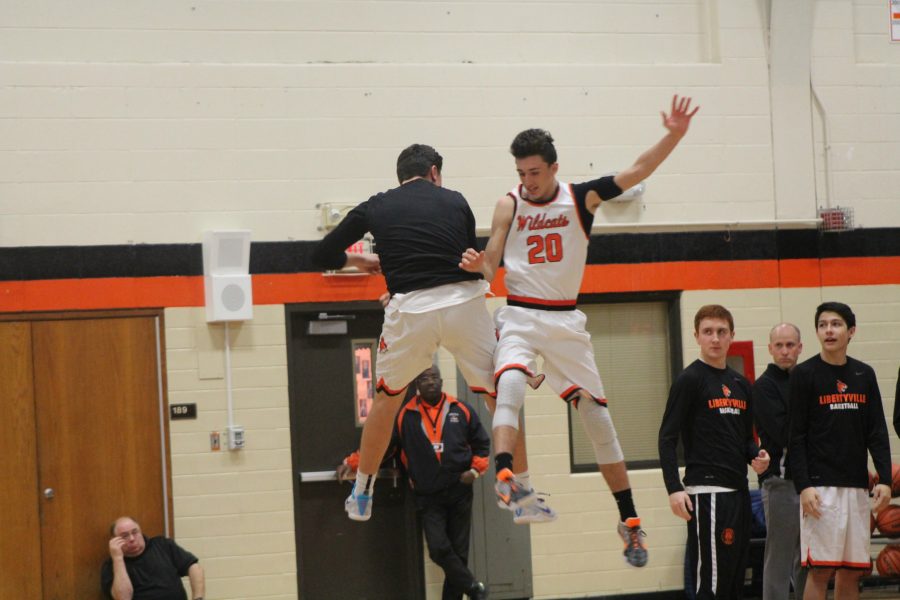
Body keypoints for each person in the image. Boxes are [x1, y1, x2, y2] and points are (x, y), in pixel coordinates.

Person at [459, 95, 700, 566]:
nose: (526, 180)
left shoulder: (581, 197)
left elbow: (635, 171)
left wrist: (673, 134)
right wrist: (476, 266)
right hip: (522, 314)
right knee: (508, 382)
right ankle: (506, 475)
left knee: (597, 419)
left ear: (552, 168)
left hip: (567, 319)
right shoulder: (508, 204)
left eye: (534, 172)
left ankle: (628, 519)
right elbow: (490, 265)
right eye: (521, 172)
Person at [310, 144, 501, 522]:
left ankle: (362, 491)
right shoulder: (456, 200)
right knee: (499, 394)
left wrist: (358, 258)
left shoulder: (376, 205)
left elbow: (323, 255)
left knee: (386, 400)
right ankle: (516, 482)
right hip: (463, 304)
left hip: (409, 310)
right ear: (434, 172)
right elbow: (467, 262)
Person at [338, 366, 490, 600]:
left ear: (441, 381)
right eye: (424, 379)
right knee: (439, 549)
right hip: (428, 495)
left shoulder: (461, 410)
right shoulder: (404, 415)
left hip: (460, 491)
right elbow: (383, 447)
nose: (430, 382)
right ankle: (473, 588)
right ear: (416, 384)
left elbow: (482, 444)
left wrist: (475, 471)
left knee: (459, 555)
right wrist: (355, 461)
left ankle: (467, 591)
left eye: (434, 378)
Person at [658, 304, 770, 599]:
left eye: (721, 332)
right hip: (707, 493)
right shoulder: (689, 380)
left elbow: (745, 438)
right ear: (697, 336)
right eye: (708, 332)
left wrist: (756, 457)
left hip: (739, 493)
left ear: (732, 335)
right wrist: (673, 488)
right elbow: (667, 438)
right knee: (711, 583)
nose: (715, 338)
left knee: (735, 582)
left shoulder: (741, 385)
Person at [789, 302, 891, 600]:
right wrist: (804, 485)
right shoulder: (804, 374)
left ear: (851, 331)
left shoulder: (864, 374)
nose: (829, 330)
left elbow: (877, 431)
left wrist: (884, 477)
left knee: (850, 570)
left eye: (836, 324)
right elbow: (795, 437)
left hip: (857, 487)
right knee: (820, 570)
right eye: (822, 324)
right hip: (821, 488)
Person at [754, 322, 807, 600]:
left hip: (809, 483)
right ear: (770, 349)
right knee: (779, 556)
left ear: (800, 347)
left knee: (807, 557)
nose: (785, 351)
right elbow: (785, 433)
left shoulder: (807, 379)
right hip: (780, 482)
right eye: (779, 345)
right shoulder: (764, 386)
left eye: (790, 345)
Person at [101, 516, 205, 600]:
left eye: (135, 532)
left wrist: (198, 597)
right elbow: (123, 598)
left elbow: (193, 566)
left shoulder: (162, 545)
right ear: (114, 540)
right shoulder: (112, 565)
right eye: (125, 536)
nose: (132, 539)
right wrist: (118, 559)